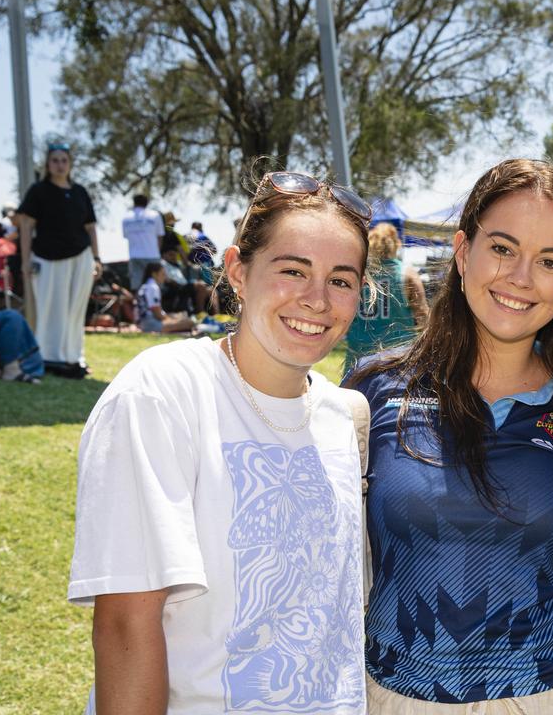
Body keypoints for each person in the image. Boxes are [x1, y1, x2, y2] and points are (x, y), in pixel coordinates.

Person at [68, 171, 374, 714]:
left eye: (341, 280)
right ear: (238, 270)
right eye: (292, 270)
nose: (317, 300)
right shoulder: (162, 393)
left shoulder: (342, 416)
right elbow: (125, 625)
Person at [345, 159, 553, 713]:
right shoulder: (372, 391)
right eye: (502, 248)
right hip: (397, 695)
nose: (520, 278)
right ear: (462, 251)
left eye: (549, 261)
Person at [15, 142, 101, 379]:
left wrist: (97, 257)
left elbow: (91, 228)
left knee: (74, 310)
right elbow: (26, 227)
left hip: (81, 257)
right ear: (48, 164)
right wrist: (25, 260)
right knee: (49, 308)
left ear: (70, 164)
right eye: (55, 160)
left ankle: (73, 357)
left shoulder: (80, 192)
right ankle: (47, 357)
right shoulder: (38, 191)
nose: (60, 165)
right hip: (46, 258)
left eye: (64, 160)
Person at [343, 222, 428, 371]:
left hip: (358, 355)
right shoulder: (407, 274)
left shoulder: (358, 273)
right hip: (397, 357)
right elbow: (423, 316)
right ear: (397, 244)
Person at [121, 194, 165, 291]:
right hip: (152, 255)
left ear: (134, 202)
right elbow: (160, 237)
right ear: (147, 203)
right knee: (156, 287)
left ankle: (139, 306)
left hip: (134, 256)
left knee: (137, 288)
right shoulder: (155, 215)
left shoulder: (126, 217)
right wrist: (158, 253)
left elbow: (126, 236)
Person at [136, 262, 194, 333]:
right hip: (151, 324)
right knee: (189, 322)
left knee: (181, 316)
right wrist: (171, 320)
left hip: (144, 322)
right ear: (154, 274)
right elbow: (156, 313)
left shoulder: (145, 285)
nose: (165, 277)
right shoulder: (153, 287)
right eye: (163, 274)